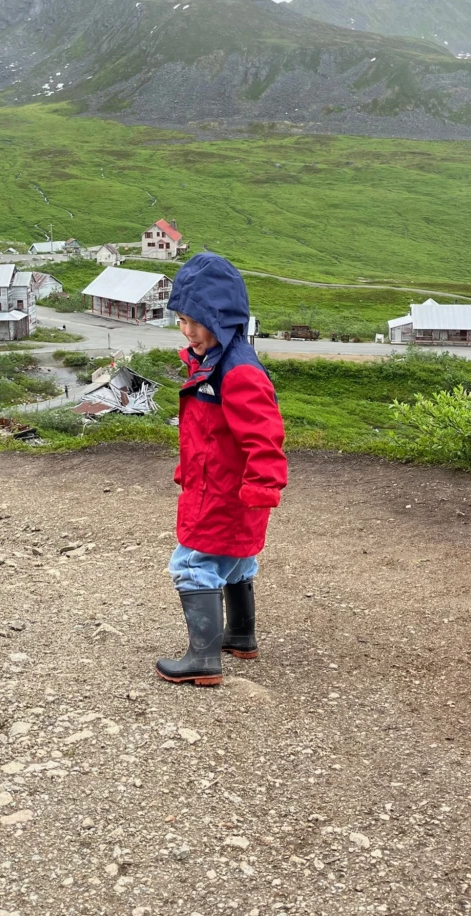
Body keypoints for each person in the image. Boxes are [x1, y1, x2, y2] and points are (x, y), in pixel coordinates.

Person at [156, 252, 287, 686]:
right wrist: (186, 469)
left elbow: (265, 435)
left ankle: (203, 658)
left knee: (192, 563)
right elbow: (210, 433)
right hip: (221, 485)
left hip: (230, 493)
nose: (188, 331)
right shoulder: (214, 361)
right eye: (181, 320)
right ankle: (241, 635)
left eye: (197, 320)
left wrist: (263, 487)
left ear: (224, 317)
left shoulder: (238, 371)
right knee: (238, 561)